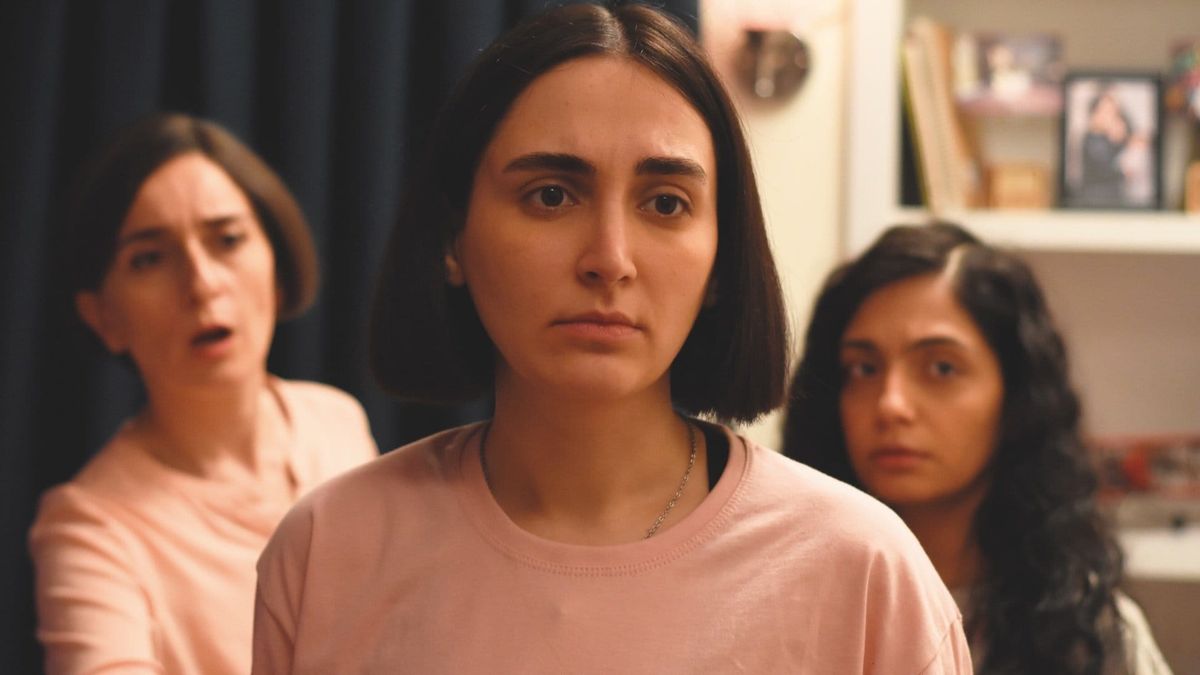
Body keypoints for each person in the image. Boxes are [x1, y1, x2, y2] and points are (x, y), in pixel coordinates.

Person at [251, 4, 972, 673]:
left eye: (665, 203)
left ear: (723, 256)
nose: (610, 257)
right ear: (452, 237)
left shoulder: (861, 569)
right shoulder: (327, 550)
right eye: (552, 195)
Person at [28, 113, 378, 675]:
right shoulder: (90, 528)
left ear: (277, 266)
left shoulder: (335, 420)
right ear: (103, 316)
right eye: (149, 258)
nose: (202, 282)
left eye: (228, 240)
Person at [783, 222, 1173, 674]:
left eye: (941, 368)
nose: (891, 404)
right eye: (864, 368)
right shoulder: (783, 603)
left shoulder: (1090, 634)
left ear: (1015, 398)